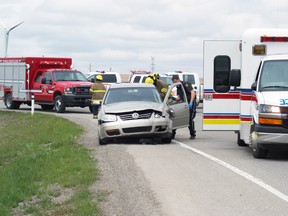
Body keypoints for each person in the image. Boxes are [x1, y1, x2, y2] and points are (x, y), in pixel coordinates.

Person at [171, 74, 196, 139]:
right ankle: (173, 134)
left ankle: (192, 134)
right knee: (178, 117)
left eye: (174, 82)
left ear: (176, 79)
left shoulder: (185, 84)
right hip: (184, 103)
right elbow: (179, 97)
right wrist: (172, 98)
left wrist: (191, 103)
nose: (174, 83)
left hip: (190, 102)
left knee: (189, 119)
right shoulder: (178, 87)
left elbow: (193, 93)